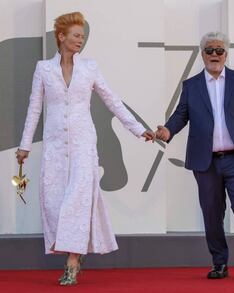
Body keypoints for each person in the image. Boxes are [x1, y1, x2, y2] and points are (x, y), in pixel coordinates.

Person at [16, 11, 155, 285]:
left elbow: (112, 100)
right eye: (76, 35)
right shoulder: (43, 68)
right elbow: (34, 109)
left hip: (83, 144)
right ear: (61, 36)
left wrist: (139, 129)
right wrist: (24, 146)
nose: (81, 40)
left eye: (83, 36)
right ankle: (74, 253)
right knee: (55, 202)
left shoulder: (89, 68)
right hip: (55, 146)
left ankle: (72, 261)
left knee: (77, 202)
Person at [156, 31, 234, 280]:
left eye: (219, 50)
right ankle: (220, 263)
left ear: (226, 54)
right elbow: (180, 115)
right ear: (202, 54)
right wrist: (167, 130)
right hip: (205, 162)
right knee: (212, 212)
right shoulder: (191, 85)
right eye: (209, 50)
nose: (214, 55)